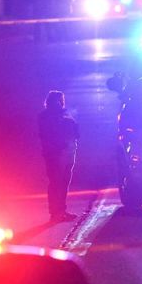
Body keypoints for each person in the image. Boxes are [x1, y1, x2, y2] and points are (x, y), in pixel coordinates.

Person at [38, 90, 80, 223]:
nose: (61, 103)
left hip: (68, 151)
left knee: (64, 182)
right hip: (56, 153)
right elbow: (47, 134)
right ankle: (55, 212)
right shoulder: (45, 116)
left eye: (61, 100)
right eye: (59, 100)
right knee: (56, 182)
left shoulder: (65, 114)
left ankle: (61, 210)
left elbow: (76, 132)